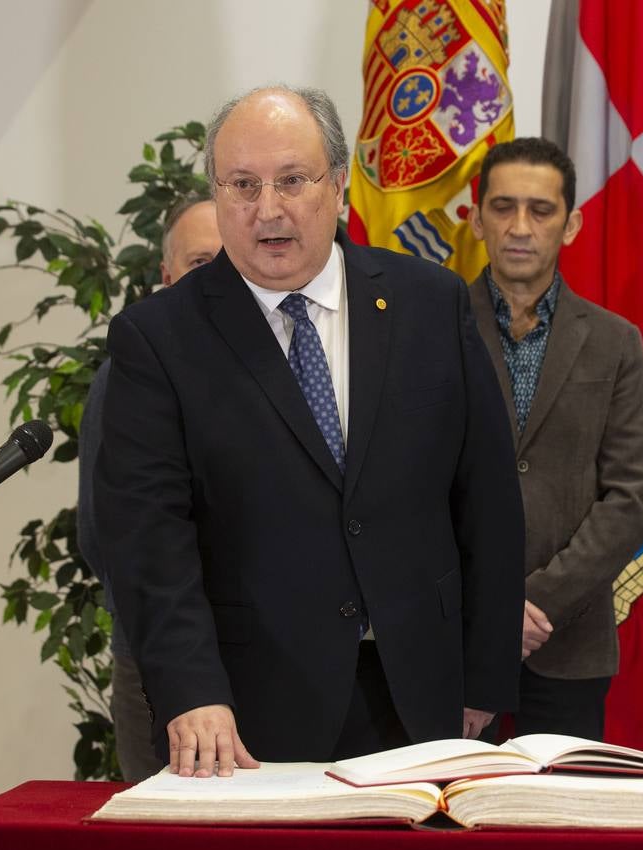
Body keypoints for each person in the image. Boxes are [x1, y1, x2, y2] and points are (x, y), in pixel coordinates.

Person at [93, 85, 525, 778]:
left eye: (292, 180)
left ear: (338, 184)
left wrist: (485, 675)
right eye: (242, 185)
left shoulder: (429, 302)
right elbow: (148, 538)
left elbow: (487, 501)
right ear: (216, 191)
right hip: (247, 710)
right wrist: (192, 691)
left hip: (421, 692)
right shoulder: (159, 338)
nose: (268, 209)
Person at [467, 137, 643, 740]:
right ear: (476, 218)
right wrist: (490, 610)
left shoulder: (615, 342)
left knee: (561, 799)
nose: (520, 227)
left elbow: (629, 499)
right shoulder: (432, 329)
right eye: (503, 207)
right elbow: (410, 486)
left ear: (571, 224)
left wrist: (540, 602)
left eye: (541, 210)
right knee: (454, 800)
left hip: (570, 639)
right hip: (459, 636)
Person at [77, 194, 221, 781]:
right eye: (199, 262)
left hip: (272, 661)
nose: (216, 277)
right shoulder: (130, 372)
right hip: (157, 663)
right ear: (166, 276)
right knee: (169, 833)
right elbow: (103, 534)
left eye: (229, 260)